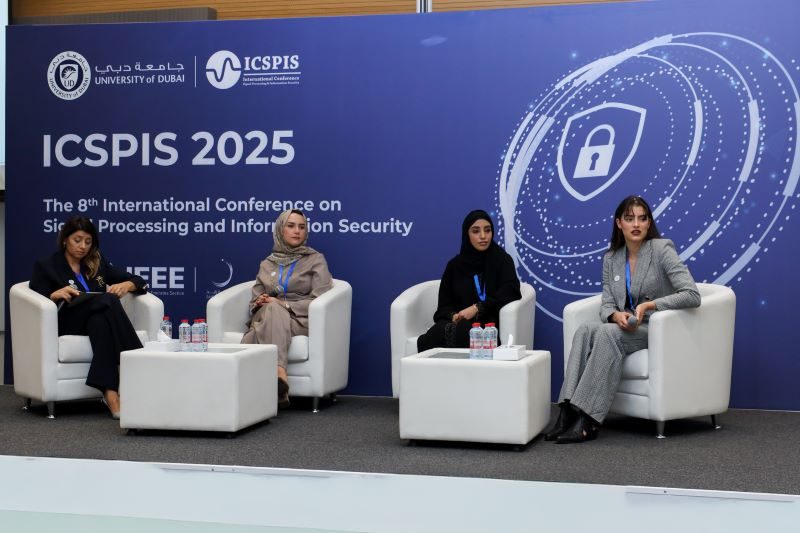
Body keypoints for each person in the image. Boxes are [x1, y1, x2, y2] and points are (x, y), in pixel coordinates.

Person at [545, 195, 701, 444]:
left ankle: (588, 420)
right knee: (585, 330)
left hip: (656, 327)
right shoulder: (611, 258)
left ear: (649, 223)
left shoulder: (662, 249)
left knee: (606, 333)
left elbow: (692, 294)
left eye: (642, 218)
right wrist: (614, 315)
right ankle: (566, 411)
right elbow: (607, 303)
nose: (636, 224)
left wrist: (650, 305)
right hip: (626, 326)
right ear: (619, 223)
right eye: (629, 219)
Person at [29, 216, 149, 419]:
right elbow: (34, 300)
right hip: (66, 322)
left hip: (92, 321)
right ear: (65, 239)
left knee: (100, 322)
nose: (83, 246)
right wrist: (53, 295)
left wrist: (128, 285)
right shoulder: (47, 265)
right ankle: (138, 359)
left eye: (88, 241)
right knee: (108, 300)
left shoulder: (97, 263)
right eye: (77, 240)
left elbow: (138, 280)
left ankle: (111, 394)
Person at [241, 209, 333, 407]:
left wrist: (283, 304)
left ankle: (272, 376)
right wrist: (259, 301)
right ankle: (278, 382)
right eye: (290, 226)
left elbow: (321, 299)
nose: (297, 231)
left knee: (264, 322)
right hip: (269, 315)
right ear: (280, 230)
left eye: (302, 227)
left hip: (299, 319)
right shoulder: (267, 263)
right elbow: (255, 299)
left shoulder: (315, 259)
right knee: (270, 310)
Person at [417, 209, 522, 352]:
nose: (483, 236)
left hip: (488, 324)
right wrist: (454, 315)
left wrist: (477, 308)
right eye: (476, 231)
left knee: (466, 333)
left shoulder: (502, 261)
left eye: (488, 230)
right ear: (467, 234)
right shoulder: (454, 266)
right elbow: (444, 306)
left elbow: (510, 290)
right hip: (457, 323)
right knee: (435, 334)